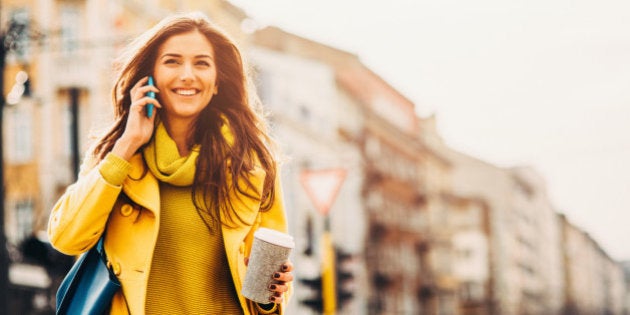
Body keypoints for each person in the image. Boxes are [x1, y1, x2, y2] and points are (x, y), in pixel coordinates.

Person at [48, 12, 293, 315]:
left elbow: (268, 287)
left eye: (201, 63)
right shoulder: (117, 155)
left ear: (217, 82)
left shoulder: (252, 164)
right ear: (149, 78)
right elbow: (66, 237)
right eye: (172, 61)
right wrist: (127, 144)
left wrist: (272, 293)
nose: (188, 74)